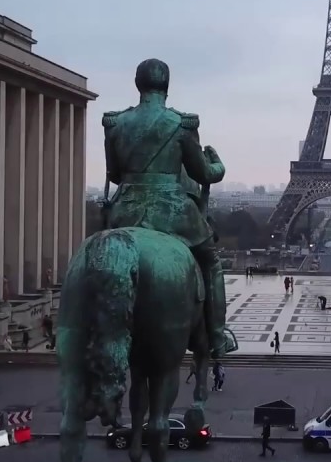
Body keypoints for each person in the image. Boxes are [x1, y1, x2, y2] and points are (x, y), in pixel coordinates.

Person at [101, 58, 235, 358]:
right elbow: (203, 175)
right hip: (171, 211)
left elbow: (113, 174)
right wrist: (218, 164)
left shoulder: (114, 123)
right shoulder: (182, 124)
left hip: (125, 211)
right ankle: (216, 336)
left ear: (138, 84)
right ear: (167, 86)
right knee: (210, 261)